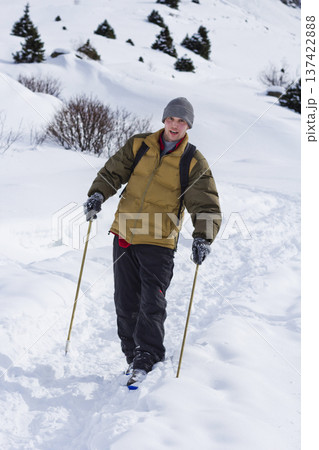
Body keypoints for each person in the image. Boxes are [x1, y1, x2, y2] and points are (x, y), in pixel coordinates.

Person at [84, 97, 221, 388]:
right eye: (171, 118)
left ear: (188, 126)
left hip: (158, 242)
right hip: (124, 235)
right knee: (125, 300)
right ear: (164, 120)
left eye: (181, 121)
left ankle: (148, 356)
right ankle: (132, 355)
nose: (175, 125)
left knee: (151, 302)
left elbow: (206, 203)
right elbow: (112, 172)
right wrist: (98, 194)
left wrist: (203, 237)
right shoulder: (139, 145)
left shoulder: (193, 160)